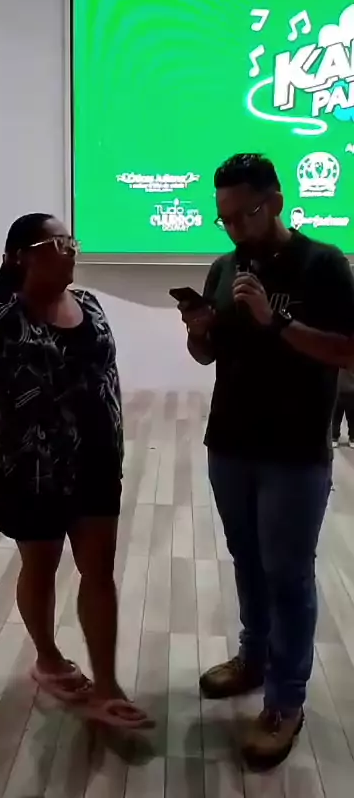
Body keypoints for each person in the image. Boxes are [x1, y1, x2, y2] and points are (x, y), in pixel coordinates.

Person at [180, 153, 354, 769]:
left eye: (245, 214)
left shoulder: (324, 264)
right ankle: (253, 658)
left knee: (288, 573)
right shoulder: (224, 267)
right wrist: (199, 330)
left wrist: (274, 319)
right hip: (230, 443)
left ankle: (286, 700)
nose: (234, 229)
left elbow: (347, 351)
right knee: (248, 561)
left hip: (295, 450)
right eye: (224, 218)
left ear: (276, 202)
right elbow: (207, 356)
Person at [0, 213, 152, 730]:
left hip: (98, 464)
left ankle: (107, 686)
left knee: (98, 571)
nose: (70, 249)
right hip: (29, 471)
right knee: (40, 568)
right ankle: (47, 656)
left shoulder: (90, 305)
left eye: (70, 240)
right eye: (57, 242)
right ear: (21, 257)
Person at [332, 368, 354, 448]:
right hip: (340, 390)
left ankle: (351, 437)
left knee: (349, 417)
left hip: (349, 391)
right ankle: (335, 436)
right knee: (338, 416)